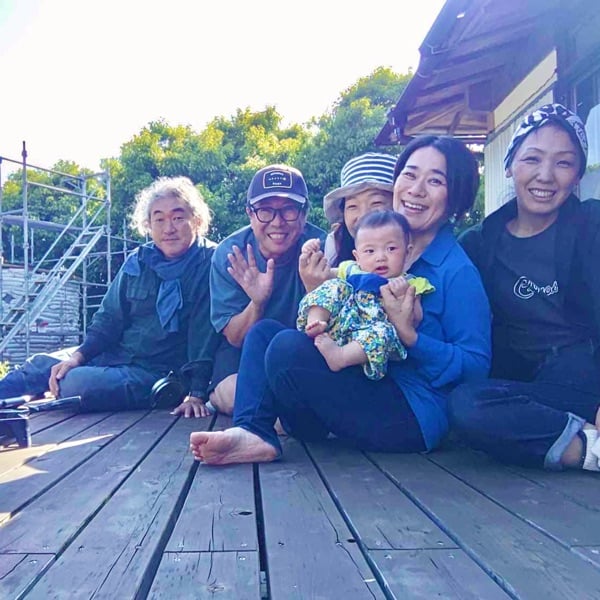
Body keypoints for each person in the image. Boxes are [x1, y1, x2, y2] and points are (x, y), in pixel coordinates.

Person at [189, 136, 491, 465]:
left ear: (455, 196)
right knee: (265, 334)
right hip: (360, 386)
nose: (416, 190)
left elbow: (476, 369)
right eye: (410, 174)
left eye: (435, 181)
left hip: (409, 414)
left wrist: (410, 337)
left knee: (287, 348)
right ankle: (253, 432)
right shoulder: (373, 255)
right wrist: (316, 293)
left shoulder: (455, 270)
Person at [448, 103, 600, 472]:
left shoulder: (592, 224)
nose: (545, 176)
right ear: (510, 165)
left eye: (563, 163)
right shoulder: (478, 244)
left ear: (577, 175)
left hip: (585, 376)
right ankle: (588, 448)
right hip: (521, 387)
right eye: (532, 159)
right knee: (466, 403)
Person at [0, 176, 220, 414]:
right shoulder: (138, 260)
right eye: (159, 219)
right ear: (148, 224)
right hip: (114, 356)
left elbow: (204, 333)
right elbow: (108, 319)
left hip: (156, 373)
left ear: (196, 220)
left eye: (178, 218)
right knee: (39, 366)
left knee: (75, 383)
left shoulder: (211, 262)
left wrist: (197, 393)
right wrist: (77, 357)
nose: (168, 228)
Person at [202, 164, 326, 417]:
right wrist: (257, 303)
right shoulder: (229, 254)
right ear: (250, 213)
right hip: (243, 353)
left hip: (302, 349)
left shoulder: (324, 249)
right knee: (232, 394)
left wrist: (314, 289)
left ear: (304, 214)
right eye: (265, 211)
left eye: (289, 210)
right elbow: (235, 338)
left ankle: (280, 414)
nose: (277, 222)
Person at [297, 209, 434, 380]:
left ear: (408, 252)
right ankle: (316, 321)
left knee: (385, 332)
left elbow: (416, 319)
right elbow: (322, 277)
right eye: (370, 251)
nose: (380, 257)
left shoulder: (411, 283)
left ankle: (341, 356)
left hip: (371, 339)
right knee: (335, 285)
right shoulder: (351, 269)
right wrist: (309, 252)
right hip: (343, 325)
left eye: (391, 249)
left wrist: (401, 297)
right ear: (357, 256)